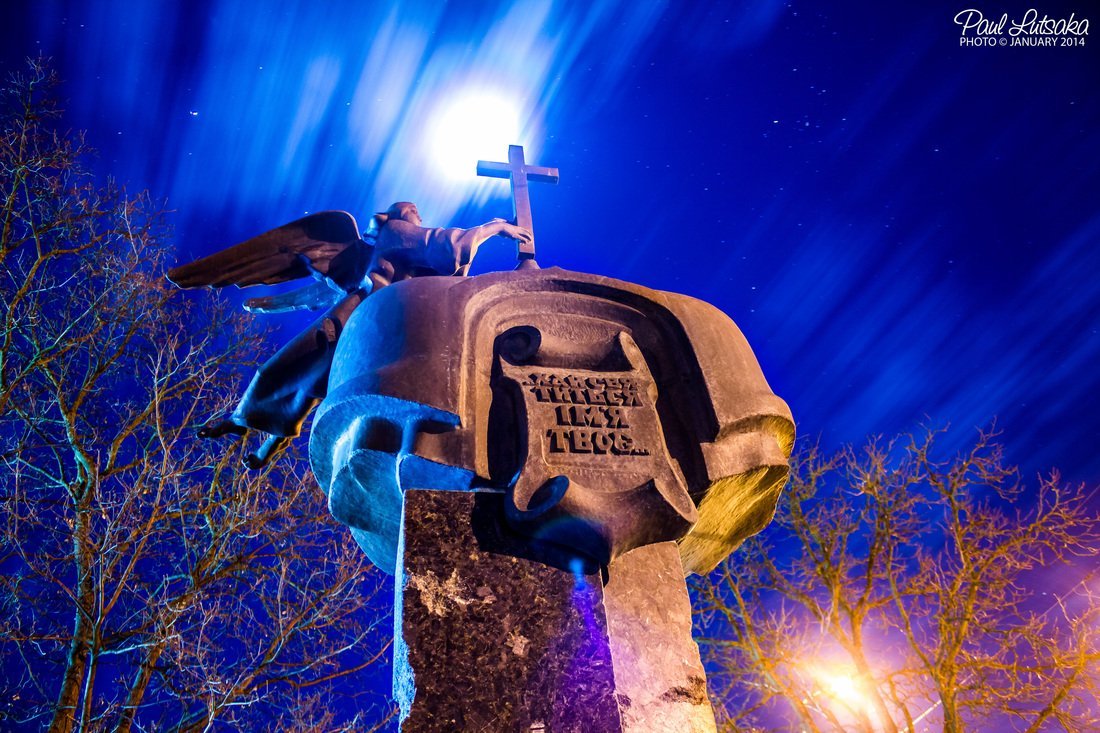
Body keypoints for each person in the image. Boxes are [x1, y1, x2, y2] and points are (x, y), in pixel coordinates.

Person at [172, 202, 532, 467]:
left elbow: (450, 276)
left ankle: (258, 434)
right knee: (301, 372)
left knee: (309, 376)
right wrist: (493, 227)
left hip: (379, 321)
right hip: (363, 316)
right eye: (414, 212)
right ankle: (244, 423)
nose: (419, 217)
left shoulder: (399, 253)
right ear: (400, 215)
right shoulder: (395, 233)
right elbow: (450, 246)